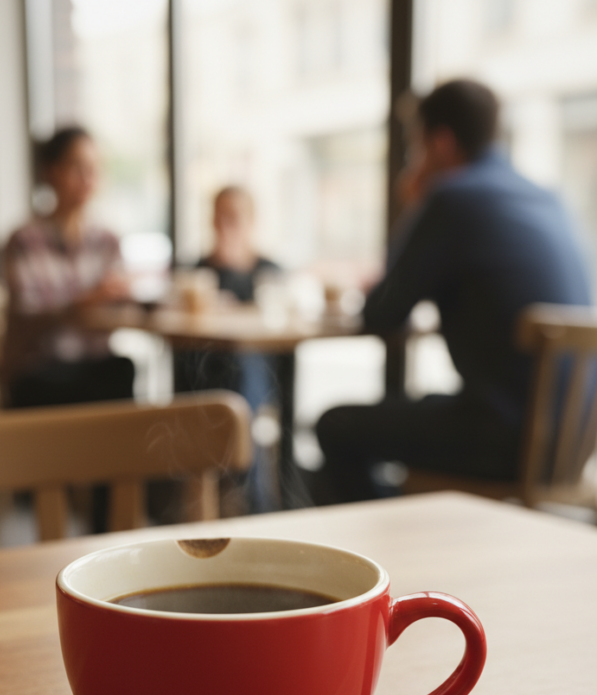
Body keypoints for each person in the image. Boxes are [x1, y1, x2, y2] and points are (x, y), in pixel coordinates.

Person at [315, 79, 592, 503]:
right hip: (571, 443)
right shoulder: (547, 198)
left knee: (335, 426)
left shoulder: (451, 199)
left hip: (507, 439)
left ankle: (382, 555)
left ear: (440, 143)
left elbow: (382, 313)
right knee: (426, 405)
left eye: (416, 147)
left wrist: (414, 208)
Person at [1, 126, 134, 409]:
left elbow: (121, 304)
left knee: (122, 369)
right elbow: (29, 313)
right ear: (51, 171)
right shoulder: (25, 240)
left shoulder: (107, 240)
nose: (88, 179)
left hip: (93, 364)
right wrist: (86, 301)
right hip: (39, 368)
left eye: (95, 169)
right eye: (78, 167)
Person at [175, 186, 281, 512]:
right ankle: (245, 500)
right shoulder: (195, 273)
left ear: (251, 221)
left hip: (256, 376)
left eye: (234, 217)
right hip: (200, 373)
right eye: (219, 216)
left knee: (243, 369)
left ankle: (250, 495)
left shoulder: (270, 272)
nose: (226, 224)